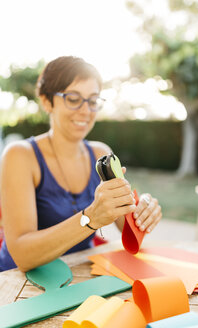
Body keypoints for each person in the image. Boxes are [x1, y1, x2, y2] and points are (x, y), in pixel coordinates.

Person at [0, 56, 162, 272]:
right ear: (47, 101)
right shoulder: (20, 155)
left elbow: (127, 227)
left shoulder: (101, 154)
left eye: (93, 100)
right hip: (18, 284)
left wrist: (143, 211)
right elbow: (22, 255)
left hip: (79, 277)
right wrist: (91, 217)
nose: (86, 110)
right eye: (73, 99)